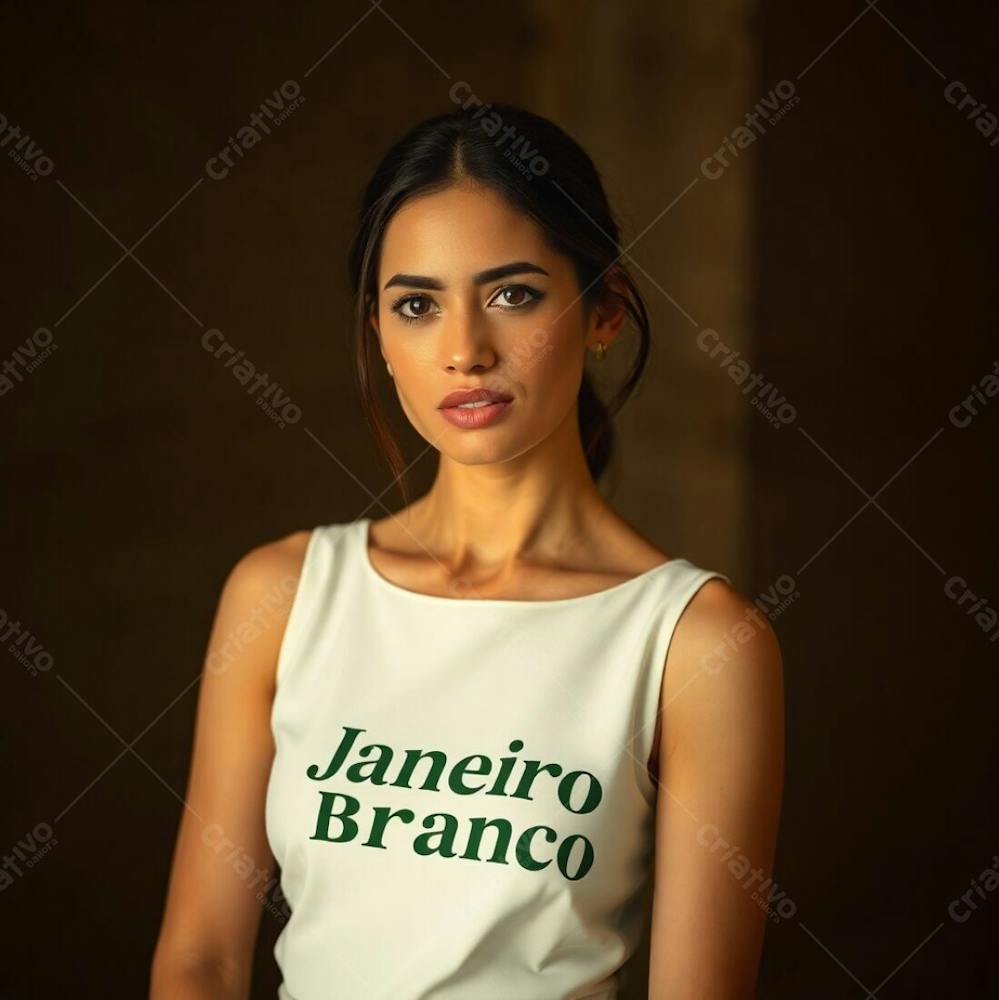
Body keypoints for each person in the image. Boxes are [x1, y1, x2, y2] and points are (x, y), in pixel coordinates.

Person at [150, 103, 784, 1000]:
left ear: (604, 310)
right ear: (378, 330)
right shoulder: (284, 595)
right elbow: (200, 963)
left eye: (512, 295)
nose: (464, 351)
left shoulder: (695, 641)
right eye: (417, 304)